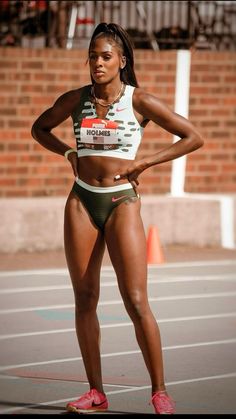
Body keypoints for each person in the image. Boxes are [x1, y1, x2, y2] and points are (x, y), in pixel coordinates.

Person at [31, 22, 204, 414]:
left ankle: (159, 390)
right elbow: (39, 128)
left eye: (105, 56)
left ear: (122, 61)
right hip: (82, 202)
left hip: (122, 201)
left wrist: (145, 162)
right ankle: (96, 392)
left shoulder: (138, 100)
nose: (97, 63)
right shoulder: (76, 100)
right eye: (92, 56)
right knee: (85, 298)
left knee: (136, 299)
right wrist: (68, 154)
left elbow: (193, 136)